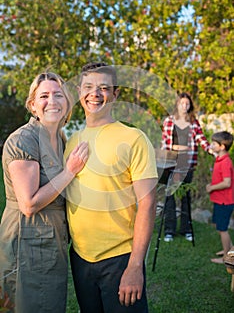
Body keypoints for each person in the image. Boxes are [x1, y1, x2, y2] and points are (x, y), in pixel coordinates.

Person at [64, 62, 158, 313]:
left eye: (104, 88)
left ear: (115, 94)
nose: (95, 94)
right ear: (78, 91)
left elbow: (148, 203)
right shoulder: (71, 140)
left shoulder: (133, 138)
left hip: (120, 259)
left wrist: (135, 266)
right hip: (80, 257)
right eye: (89, 87)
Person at [0, 72, 88, 313]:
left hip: (50, 241)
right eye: (44, 96)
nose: (52, 101)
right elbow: (28, 203)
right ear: (33, 105)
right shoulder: (23, 141)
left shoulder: (59, 137)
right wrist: (70, 171)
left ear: (67, 103)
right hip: (29, 242)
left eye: (59, 95)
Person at [161, 92, 212, 242]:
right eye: (182, 103)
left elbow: (201, 139)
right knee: (170, 196)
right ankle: (169, 230)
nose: (185, 106)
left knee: (185, 197)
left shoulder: (193, 122)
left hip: (187, 165)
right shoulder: (169, 121)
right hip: (172, 164)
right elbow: (165, 143)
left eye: (187, 104)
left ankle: (186, 229)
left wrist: (211, 150)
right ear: (177, 104)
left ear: (190, 106)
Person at [206, 131, 234, 264]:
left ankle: (226, 258)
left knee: (223, 230)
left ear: (222, 146)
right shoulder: (220, 158)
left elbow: (227, 182)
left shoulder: (225, 162)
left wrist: (211, 187)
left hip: (225, 201)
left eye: (214, 143)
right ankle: (229, 249)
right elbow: (214, 153)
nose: (211, 145)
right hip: (219, 200)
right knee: (219, 226)